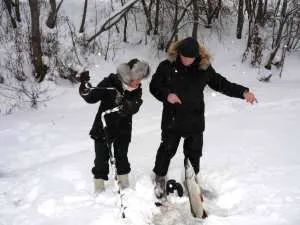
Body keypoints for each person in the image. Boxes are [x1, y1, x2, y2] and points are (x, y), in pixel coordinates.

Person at [149, 37, 257, 198]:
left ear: (196, 56)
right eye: (183, 57)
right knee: (166, 150)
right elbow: (154, 86)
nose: (185, 60)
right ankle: (159, 179)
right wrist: (167, 95)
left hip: (194, 120)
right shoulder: (167, 66)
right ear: (178, 53)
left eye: (189, 58)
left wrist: (243, 92)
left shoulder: (203, 69)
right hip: (172, 119)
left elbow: (222, 84)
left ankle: (191, 182)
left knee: (194, 153)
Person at [79, 59, 150, 193]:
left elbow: (136, 105)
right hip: (103, 128)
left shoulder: (136, 90)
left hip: (123, 129)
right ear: (128, 76)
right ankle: (99, 189)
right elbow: (92, 96)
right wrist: (84, 86)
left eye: (140, 79)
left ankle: (124, 186)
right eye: (136, 79)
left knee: (122, 157)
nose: (138, 82)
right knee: (100, 160)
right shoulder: (110, 82)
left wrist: (128, 106)